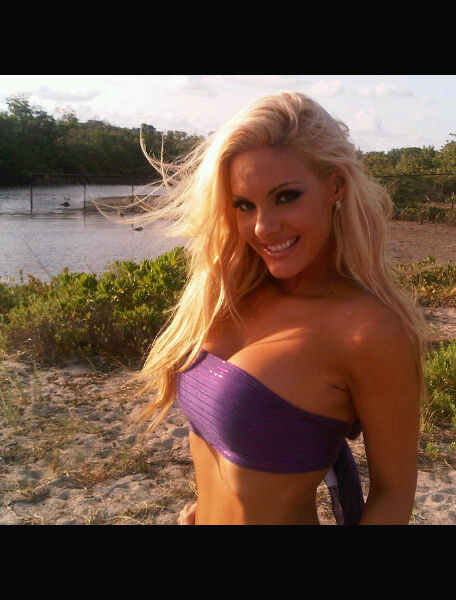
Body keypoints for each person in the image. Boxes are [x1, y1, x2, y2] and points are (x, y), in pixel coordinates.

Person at [135, 91, 427, 525]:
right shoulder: (233, 294)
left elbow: (394, 493)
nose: (263, 227)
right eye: (243, 204)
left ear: (336, 186)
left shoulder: (368, 331)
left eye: (286, 197)